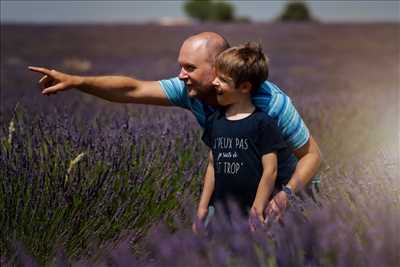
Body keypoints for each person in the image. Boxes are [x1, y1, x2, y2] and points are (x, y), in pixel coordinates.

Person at [28, 31, 321, 223]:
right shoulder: (189, 89)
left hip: (283, 197)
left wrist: (286, 196)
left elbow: (311, 155)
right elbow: (132, 89)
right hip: (232, 200)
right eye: (181, 66)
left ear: (218, 70)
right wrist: (77, 82)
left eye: (190, 68)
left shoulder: (271, 103)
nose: (181, 75)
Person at [194, 43, 296, 232]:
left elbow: (270, 170)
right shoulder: (215, 120)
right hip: (220, 213)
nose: (215, 82)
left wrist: (257, 209)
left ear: (245, 87)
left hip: (252, 212)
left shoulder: (262, 123)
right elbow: (211, 165)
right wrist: (202, 207)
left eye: (222, 79)